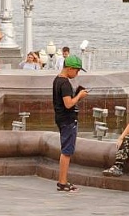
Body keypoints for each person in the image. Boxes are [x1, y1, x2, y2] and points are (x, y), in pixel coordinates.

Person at [52, 55, 89, 192]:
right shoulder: (65, 83)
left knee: (65, 150)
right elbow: (68, 104)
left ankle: (63, 181)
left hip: (60, 118)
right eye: (77, 71)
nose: (77, 74)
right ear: (70, 68)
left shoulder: (57, 80)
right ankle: (62, 182)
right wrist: (79, 96)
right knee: (67, 151)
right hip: (68, 120)